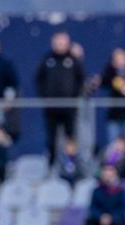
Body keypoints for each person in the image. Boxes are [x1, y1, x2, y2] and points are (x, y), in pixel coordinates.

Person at [36, 33, 85, 163]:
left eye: (63, 43)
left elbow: (81, 79)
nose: (60, 45)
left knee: (71, 136)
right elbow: (39, 79)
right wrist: (45, 96)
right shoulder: (47, 59)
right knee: (51, 137)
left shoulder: (73, 60)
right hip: (51, 107)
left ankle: (71, 164)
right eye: (58, 42)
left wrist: (74, 96)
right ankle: (51, 163)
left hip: (69, 107)